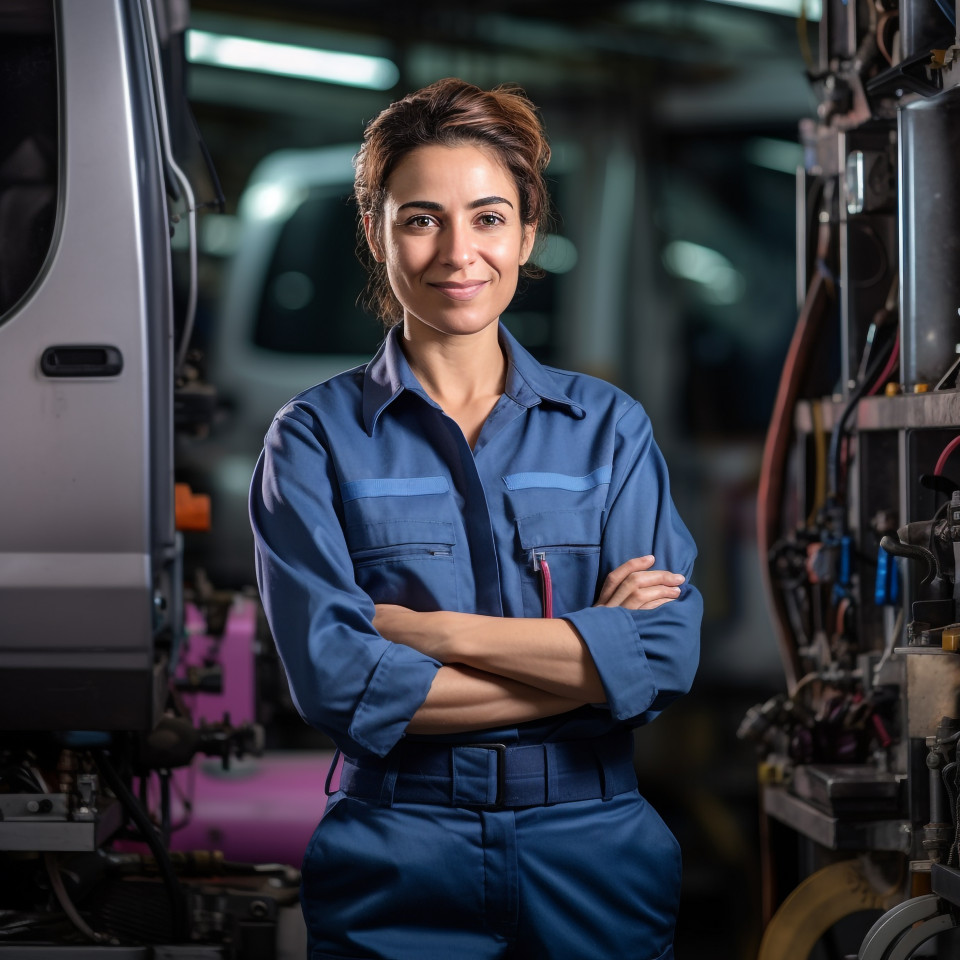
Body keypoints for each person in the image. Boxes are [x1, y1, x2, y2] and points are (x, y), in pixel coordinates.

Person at [250, 77, 701, 960]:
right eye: (422, 219)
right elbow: (338, 683)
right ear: (376, 234)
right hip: (398, 848)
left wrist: (424, 632)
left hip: (594, 847)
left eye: (489, 217)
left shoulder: (607, 429)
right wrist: (588, 665)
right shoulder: (312, 441)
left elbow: (664, 654)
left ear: (528, 233)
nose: (460, 252)